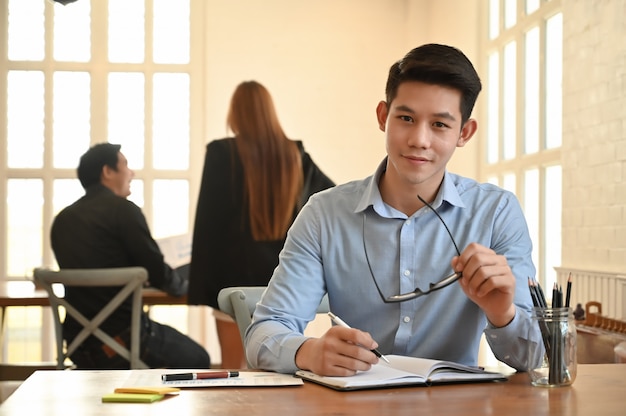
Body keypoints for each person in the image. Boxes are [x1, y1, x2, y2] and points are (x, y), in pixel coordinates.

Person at [245, 44, 544, 376]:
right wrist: (307, 351)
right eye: (406, 118)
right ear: (383, 117)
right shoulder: (323, 215)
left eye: (440, 125)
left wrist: (503, 314)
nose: (419, 139)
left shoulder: (497, 212)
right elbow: (264, 332)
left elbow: (531, 359)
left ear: (465, 133)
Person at [188, 80, 335, 369]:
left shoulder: (221, 153)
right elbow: (333, 200)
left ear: (235, 114)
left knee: (232, 372)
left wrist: (200, 286)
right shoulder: (295, 155)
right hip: (283, 280)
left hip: (233, 278)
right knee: (278, 368)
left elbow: (208, 224)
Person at [51, 143, 211, 369]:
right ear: (107, 172)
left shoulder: (62, 221)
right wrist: (183, 286)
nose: (132, 172)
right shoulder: (124, 211)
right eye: (125, 165)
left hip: (78, 346)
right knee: (199, 358)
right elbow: (157, 271)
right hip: (125, 342)